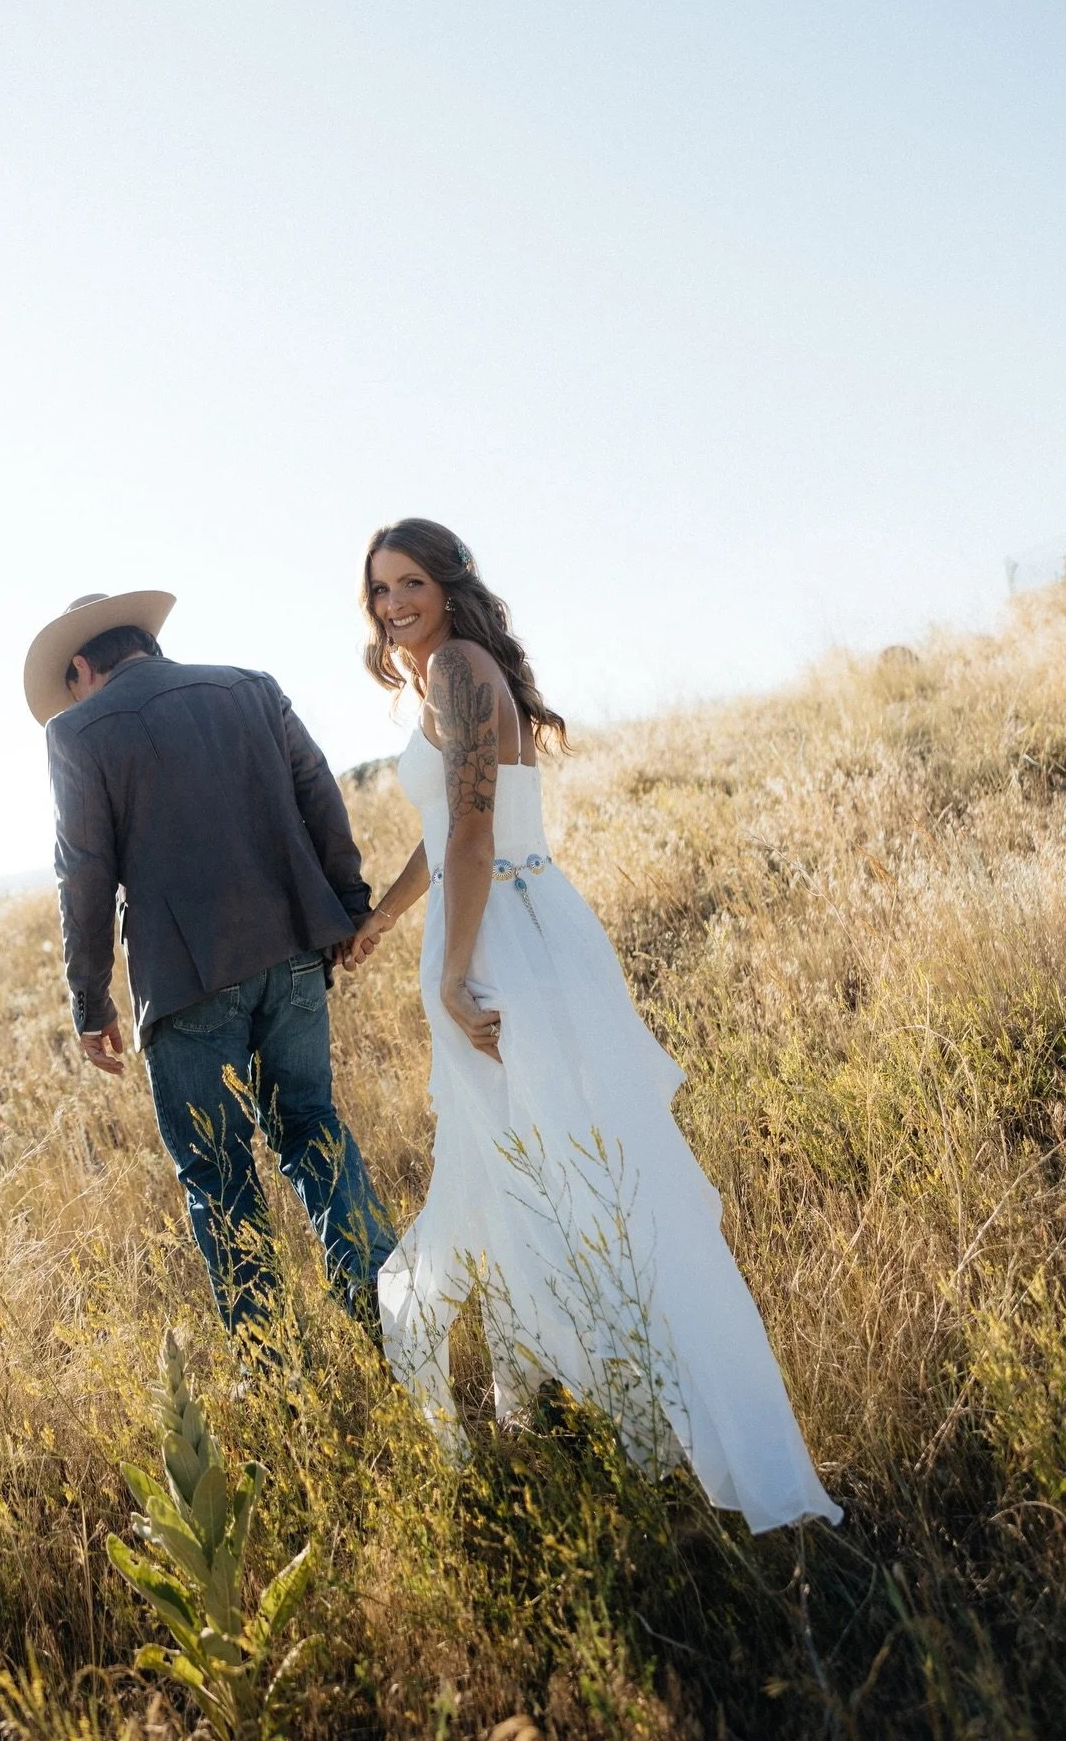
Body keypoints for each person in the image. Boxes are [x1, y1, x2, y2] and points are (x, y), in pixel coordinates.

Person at [347, 520, 841, 1533]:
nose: (394, 604)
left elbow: (474, 831)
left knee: (582, 1176)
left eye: (410, 582)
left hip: (503, 940)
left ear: (450, 585)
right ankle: (596, 1414)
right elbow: (445, 832)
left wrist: (453, 975)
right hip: (509, 920)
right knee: (535, 1174)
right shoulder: (453, 672)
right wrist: (385, 919)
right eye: (380, 589)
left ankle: (674, 1421)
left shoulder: (458, 669)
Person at [24, 588, 396, 1344]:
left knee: (218, 1177)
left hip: (184, 981)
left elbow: (83, 875)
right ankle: (394, 1322)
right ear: (145, 645)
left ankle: (275, 1369)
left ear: (83, 667)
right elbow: (319, 792)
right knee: (313, 1130)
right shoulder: (250, 687)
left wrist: (90, 1002)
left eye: (69, 685)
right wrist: (350, 904)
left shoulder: (75, 733)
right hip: (293, 953)